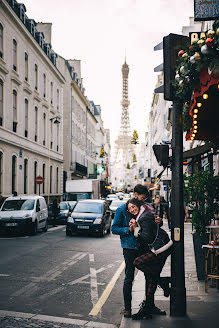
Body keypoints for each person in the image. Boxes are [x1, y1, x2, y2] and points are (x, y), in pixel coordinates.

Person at [112, 184, 165, 319]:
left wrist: (159, 222)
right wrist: (128, 230)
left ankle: (149, 306)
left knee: (150, 275)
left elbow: (152, 226)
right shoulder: (121, 210)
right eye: (142, 198)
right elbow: (114, 229)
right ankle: (127, 308)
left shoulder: (146, 208)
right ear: (135, 195)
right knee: (129, 276)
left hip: (144, 246)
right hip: (129, 248)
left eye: (145, 198)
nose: (143, 201)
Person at [127, 198, 172, 320]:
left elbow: (147, 237)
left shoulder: (143, 217)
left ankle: (162, 282)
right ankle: (148, 309)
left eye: (133, 207)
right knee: (151, 277)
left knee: (137, 262)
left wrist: (136, 228)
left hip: (160, 248)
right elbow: (153, 227)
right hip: (158, 246)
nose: (132, 209)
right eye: (130, 208)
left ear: (138, 205)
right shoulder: (143, 214)